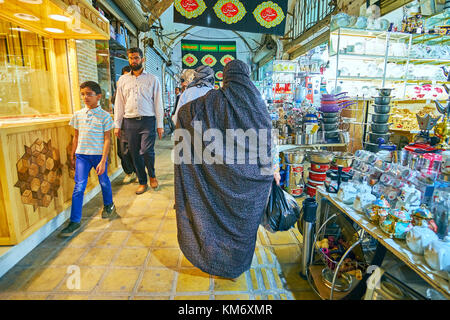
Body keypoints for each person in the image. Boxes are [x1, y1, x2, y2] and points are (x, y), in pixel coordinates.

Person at [173, 60, 274, 280]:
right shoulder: (258, 103)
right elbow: (266, 143)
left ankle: (216, 260)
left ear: (225, 78)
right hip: (250, 182)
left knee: (215, 220)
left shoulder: (211, 102)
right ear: (247, 76)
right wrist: (269, 172)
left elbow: (184, 114)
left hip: (216, 177)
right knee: (243, 229)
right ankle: (236, 267)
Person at [60, 81, 117, 237]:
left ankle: (109, 205)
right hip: (82, 156)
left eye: (89, 94)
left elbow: (107, 140)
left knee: (104, 181)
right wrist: (73, 155)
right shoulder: (78, 115)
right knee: (79, 187)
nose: (85, 97)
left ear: (98, 96)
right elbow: (76, 136)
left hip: (98, 156)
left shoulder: (105, 116)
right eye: (83, 94)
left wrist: (103, 161)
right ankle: (74, 221)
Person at [114, 47, 164, 195]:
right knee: (135, 153)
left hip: (147, 121)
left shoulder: (152, 79)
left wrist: (160, 125)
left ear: (143, 59)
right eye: (130, 58)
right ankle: (142, 182)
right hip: (129, 122)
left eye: (136, 58)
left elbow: (158, 103)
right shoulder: (122, 80)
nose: (133, 61)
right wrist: (117, 125)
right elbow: (119, 103)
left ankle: (152, 175)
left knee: (147, 151)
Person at [113, 65, 136, 184]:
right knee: (122, 151)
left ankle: (137, 172)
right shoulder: (119, 88)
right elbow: (114, 102)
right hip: (122, 126)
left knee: (135, 150)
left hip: (134, 124)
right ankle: (129, 171)